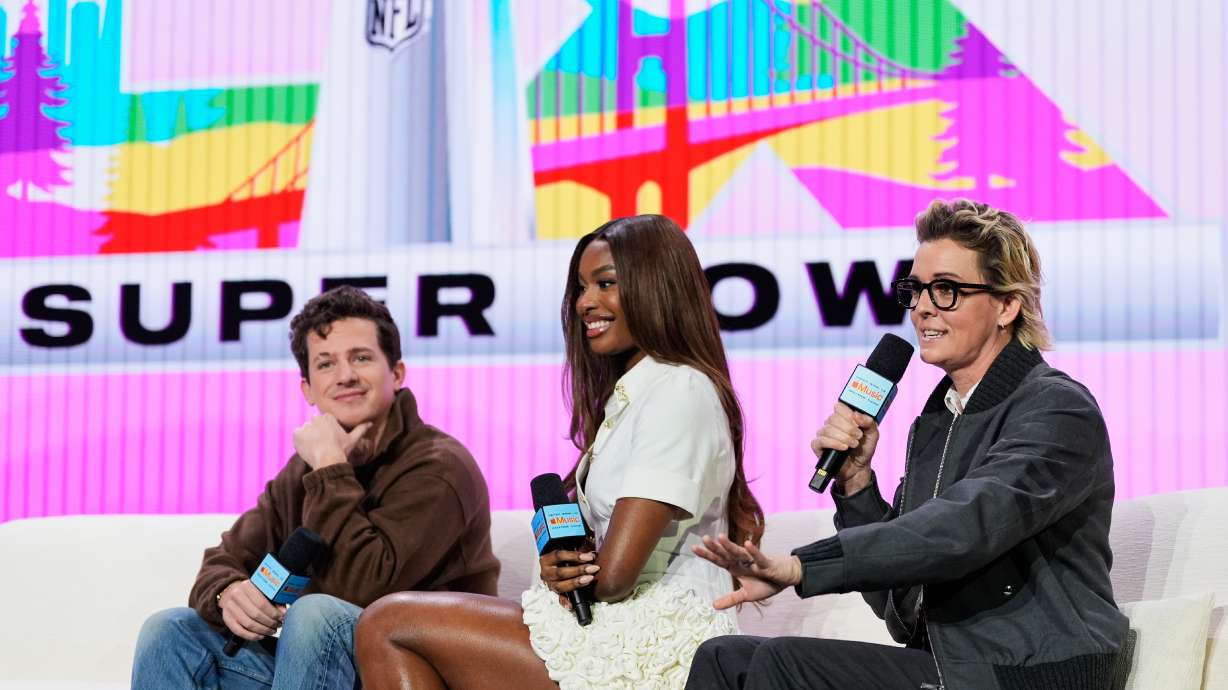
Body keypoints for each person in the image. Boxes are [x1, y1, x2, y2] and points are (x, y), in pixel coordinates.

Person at [685, 200, 1128, 690]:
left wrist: (801, 566)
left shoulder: (1057, 409)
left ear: (1007, 305)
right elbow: (898, 606)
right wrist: (855, 483)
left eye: (947, 290)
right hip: (952, 669)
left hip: (1036, 673)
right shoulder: (938, 420)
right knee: (726, 659)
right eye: (916, 290)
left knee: (781, 667)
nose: (921, 307)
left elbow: (964, 527)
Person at [354, 214, 765, 690]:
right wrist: (562, 568)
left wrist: (567, 574)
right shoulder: (636, 397)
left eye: (605, 283)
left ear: (658, 287)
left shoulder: (680, 391)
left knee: (389, 625)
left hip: (652, 649)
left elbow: (612, 579)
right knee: (395, 628)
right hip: (609, 627)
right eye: (581, 288)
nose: (586, 303)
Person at [131, 285, 500, 689]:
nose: (345, 376)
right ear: (307, 388)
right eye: (325, 364)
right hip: (323, 672)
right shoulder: (305, 469)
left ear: (396, 373)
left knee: (315, 615)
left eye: (361, 358)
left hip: (418, 671)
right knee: (170, 631)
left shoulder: (439, 466)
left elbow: (362, 590)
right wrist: (228, 593)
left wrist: (329, 467)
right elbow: (226, 558)